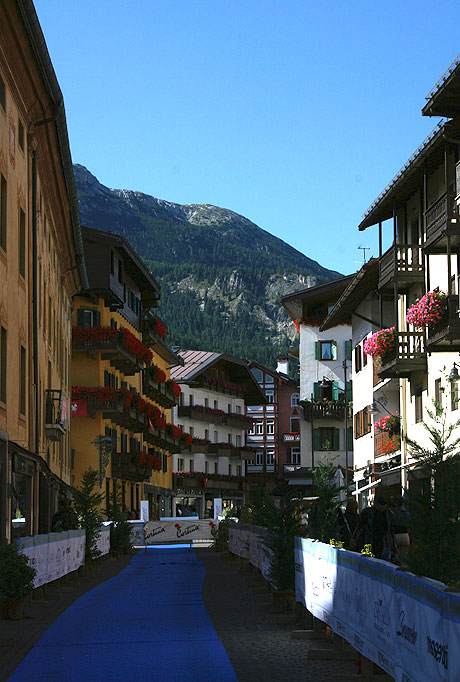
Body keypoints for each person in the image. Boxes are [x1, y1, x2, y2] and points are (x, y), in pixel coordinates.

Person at [357, 496, 396, 561]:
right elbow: (360, 526)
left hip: (383, 540)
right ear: (375, 504)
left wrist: (393, 544)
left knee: (383, 558)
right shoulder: (368, 513)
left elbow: (391, 530)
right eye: (380, 504)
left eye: (384, 504)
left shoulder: (389, 514)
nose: (382, 507)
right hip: (370, 539)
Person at [391, 495, 410, 569]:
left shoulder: (393, 513)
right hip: (405, 534)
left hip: (396, 533)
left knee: (396, 554)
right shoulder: (407, 513)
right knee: (404, 555)